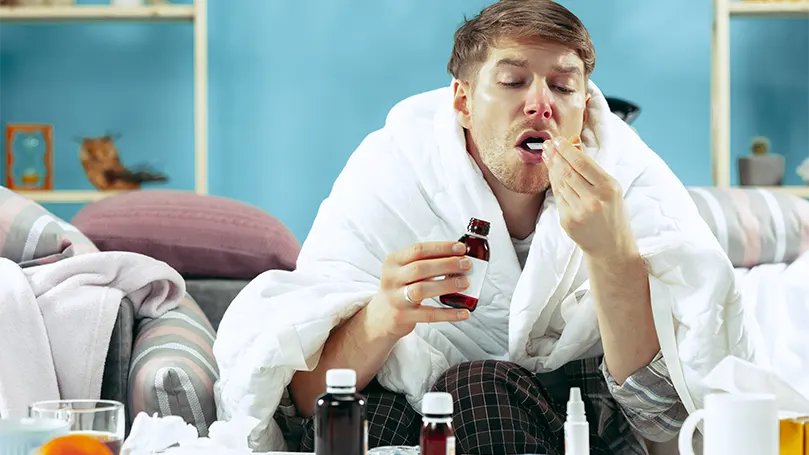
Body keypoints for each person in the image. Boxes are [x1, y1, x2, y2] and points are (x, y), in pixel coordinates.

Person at [213, 1, 753, 454]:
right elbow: (305, 399)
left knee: (479, 386)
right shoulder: (391, 172)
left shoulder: (632, 185)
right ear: (463, 101)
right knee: (368, 419)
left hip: (579, 420)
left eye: (563, 87)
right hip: (405, 412)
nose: (540, 104)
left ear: (585, 109)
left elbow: (664, 422)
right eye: (514, 81)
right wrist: (382, 316)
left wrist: (613, 257)